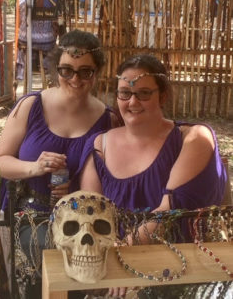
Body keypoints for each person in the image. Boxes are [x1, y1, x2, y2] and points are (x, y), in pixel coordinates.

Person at [78, 54, 227, 297]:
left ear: (163, 95)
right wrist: (111, 266)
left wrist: (123, 257)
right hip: (113, 268)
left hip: (183, 269)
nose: (133, 101)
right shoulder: (99, 146)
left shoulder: (194, 138)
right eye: (124, 93)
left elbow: (168, 212)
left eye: (144, 93)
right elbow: (90, 214)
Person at [0, 29, 120, 298]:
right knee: (34, 284)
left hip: (82, 225)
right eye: (67, 70)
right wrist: (34, 168)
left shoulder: (108, 119)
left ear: (97, 73)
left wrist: (77, 189)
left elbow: (113, 177)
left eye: (85, 71)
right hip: (28, 217)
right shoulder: (31, 105)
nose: (75, 79)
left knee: (75, 282)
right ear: (56, 70)